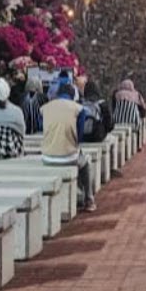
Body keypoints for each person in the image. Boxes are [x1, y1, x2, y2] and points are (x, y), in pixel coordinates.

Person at [41, 82, 96, 212]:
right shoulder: (78, 108)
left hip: (47, 157)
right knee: (85, 164)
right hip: (68, 156)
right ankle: (88, 199)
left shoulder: (45, 107)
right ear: (72, 95)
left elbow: (42, 126)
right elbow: (80, 135)